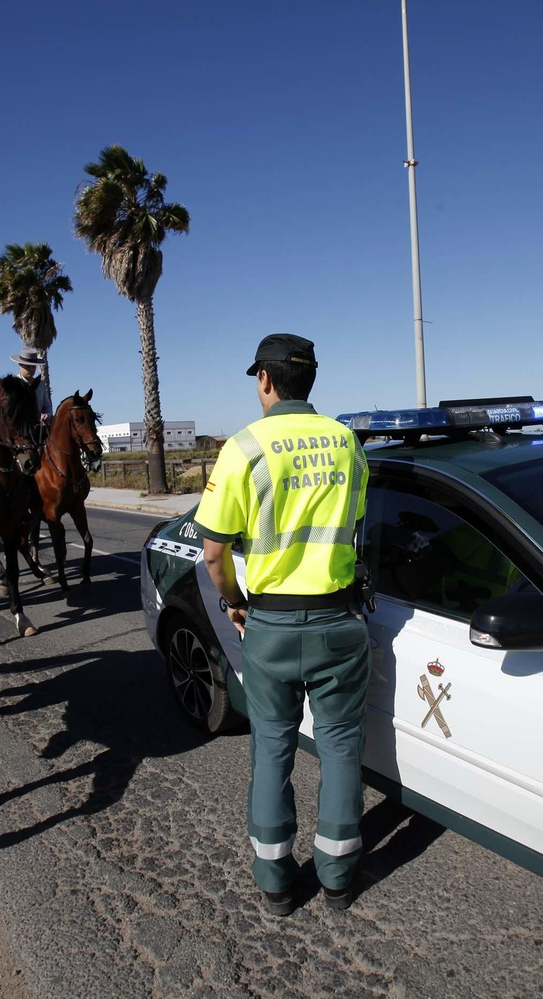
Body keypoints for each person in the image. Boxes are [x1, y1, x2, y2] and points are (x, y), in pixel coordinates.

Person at [194, 333, 370, 916]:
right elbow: (355, 525)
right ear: (308, 380)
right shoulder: (347, 442)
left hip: (270, 623)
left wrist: (235, 603)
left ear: (265, 380)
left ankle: (275, 882)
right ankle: (338, 876)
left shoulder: (243, 448)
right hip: (340, 619)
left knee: (272, 747)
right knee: (341, 744)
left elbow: (214, 554)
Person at [11, 350, 52, 422]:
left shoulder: (40, 384)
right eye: (28, 366)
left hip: (38, 428)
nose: (31, 369)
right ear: (20, 365)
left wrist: (48, 415)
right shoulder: (13, 384)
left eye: (33, 366)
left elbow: (47, 406)